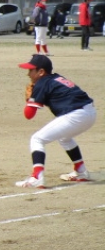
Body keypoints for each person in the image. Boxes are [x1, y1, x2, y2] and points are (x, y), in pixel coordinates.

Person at [15, 54, 96, 188]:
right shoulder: (56, 78)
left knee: (37, 139)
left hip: (76, 115)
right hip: (90, 112)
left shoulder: (42, 83)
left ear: (41, 72)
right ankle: (81, 171)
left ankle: (37, 177)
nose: (28, 74)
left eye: (31, 70)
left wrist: (29, 99)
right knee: (64, 138)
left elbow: (29, 115)